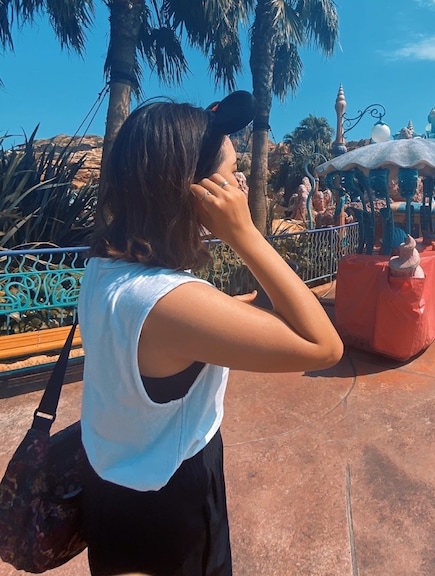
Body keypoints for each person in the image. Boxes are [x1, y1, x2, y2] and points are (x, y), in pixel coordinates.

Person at [77, 91, 344, 576]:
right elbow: (324, 346)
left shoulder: (105, 268)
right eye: (232, 175)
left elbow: (175, 327)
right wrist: (245, 234)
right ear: (193, 190)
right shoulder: (169, 303)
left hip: (113, 486)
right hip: (171, 505)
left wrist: (234, 307)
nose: (240, 187)